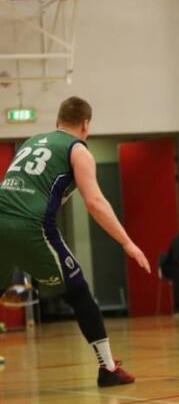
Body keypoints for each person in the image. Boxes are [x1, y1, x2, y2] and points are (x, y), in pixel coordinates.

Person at [0, 96, 151, 387]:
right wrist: (127, 242)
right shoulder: (78, 150)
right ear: (85, 124)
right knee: (79, 293)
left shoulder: (32, 141)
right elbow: (95, 202)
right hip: (32, 226)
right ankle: (108, 369)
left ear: (58, 120)